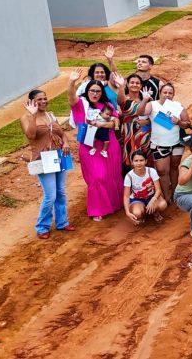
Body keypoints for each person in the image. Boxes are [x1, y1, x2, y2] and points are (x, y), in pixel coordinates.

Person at [67, 70, 123, 221]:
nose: (95, 93)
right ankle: (98, 208)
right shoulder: (80, 104)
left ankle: (114, 204)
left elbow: (115, 122)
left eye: (98, 91)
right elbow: (71, 98)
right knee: (97, 177)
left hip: (108, 144)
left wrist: (101, 124)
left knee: (112, 174)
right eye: (92, 90)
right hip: (89, 146)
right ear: (87, 91)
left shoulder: (107, 105)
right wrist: (71, 82)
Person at [21, 90, 74, 239]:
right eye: (39, 99)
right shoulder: (26, 117)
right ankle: (42, 226)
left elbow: (61, 133)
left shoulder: (50, 115)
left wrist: (65, 143)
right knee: (50, 195)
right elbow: (31, 135)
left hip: (58, 156)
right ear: (32, 102)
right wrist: (33, 115)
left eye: (45, 98)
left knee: (61, 191)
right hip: (42, 159)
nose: (44, 101)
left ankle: (62, 222)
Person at [142, 83, 191, 204]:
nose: (167, 95)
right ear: (160, 93)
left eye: (170, 93)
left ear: (173, 94)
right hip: (159, 144)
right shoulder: (152, 104)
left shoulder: (178, 106)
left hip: (177, 143)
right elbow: (141, 112)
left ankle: (175, 193)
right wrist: (144, 99)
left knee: (174, 168)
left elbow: (187, 123)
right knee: (162, 171)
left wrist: (178, 122)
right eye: (165, 92)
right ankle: (166, 196)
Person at [117, 73, 152, 174]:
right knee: (130, 163)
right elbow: (120, 101)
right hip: (129, 136)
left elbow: (155, 116)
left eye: (137, 83)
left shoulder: (147, 99)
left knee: (147, 163)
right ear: (127, 85)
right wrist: (120, 86)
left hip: (146, 136)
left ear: (141, 85)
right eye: (132, 82)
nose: (134, 84)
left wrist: (148, 121)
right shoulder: (125, 100)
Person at [123, 150, 167, 225]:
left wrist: (152, 200)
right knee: (137, 213)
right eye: (136, 161)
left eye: (141, 160)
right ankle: (144, 214)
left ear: (146, 161)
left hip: (151, 197)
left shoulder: (151, 171)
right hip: (137, 199)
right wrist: (127, 212)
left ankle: (155, 212)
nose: (139, 163)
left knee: (162, 204)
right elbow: (126, 196)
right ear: (132, 162)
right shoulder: (129, 176)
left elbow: (158, 190)